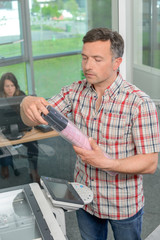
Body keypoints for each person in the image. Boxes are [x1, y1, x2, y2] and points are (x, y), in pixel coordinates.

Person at [20, 28, 160, 240]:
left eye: (97, 59)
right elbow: (34, 118)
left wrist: (107, 163)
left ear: (116, 62)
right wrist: (26, 103)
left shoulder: (140, 104)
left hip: (123, 203)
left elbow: (150, 163)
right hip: (86, 199)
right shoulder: (73, 92)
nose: (87, 66)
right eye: (84, 58)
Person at [0, 72, 40, 182]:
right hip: (3, 133)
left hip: (22, 131)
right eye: (7, 86)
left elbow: (28, 115)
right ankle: (5, 165)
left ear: (16, 86)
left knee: (33, 145)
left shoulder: (21, 96)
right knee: (2, 146)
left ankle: (34, 170)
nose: (10, 89)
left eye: (12, 85)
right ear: (2, 87)